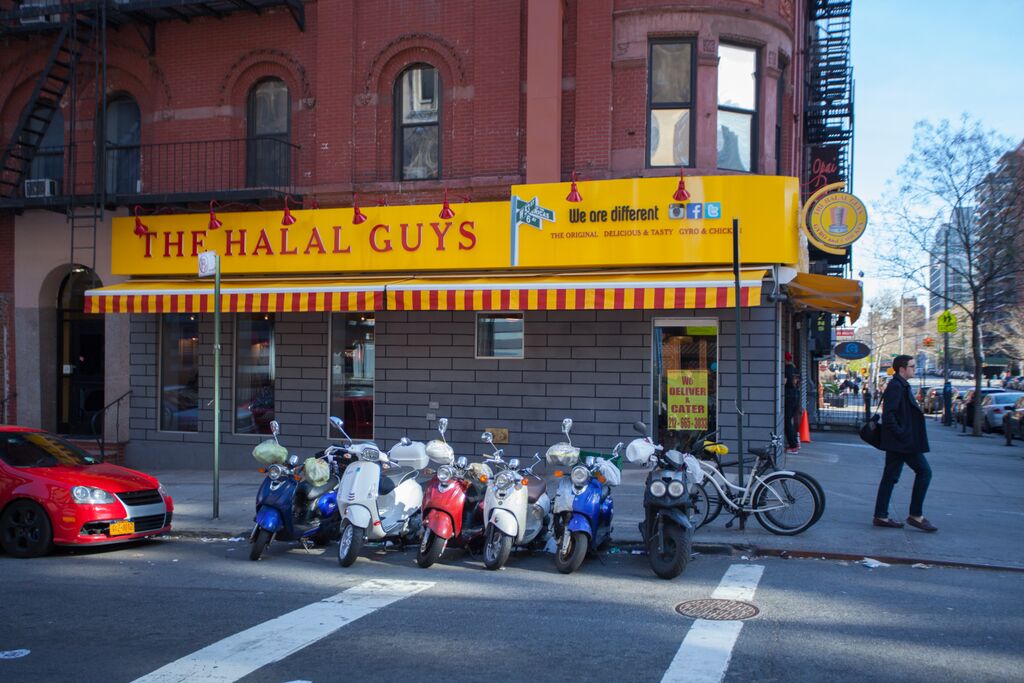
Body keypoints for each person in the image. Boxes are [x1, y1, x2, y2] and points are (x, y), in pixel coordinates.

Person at [873, 355, 936, 532]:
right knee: (924, 472)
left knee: (890, 477)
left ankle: (881, 515)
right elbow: (889, 415)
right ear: (902, 368)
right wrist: (902, 434)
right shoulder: (896, 386)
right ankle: (916, 515)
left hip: (900, 441)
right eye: (912, 366)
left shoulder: (900, 385)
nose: (914, 369)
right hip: (903, 442)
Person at [784, 372, 800, 454]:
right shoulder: (795, 388)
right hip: (794, 399)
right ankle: (795, 443)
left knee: (788, 423)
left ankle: (793, 446)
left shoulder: (788, 370)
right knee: (791, 423)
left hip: (790, 399)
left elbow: (784, 381)